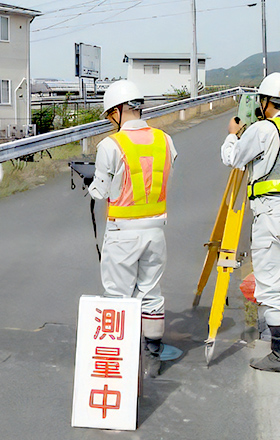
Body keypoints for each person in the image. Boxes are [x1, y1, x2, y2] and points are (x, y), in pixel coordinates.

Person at [221, 72, 280, 375]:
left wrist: (233, 134)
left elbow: (234, 158)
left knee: (269, 283)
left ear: (264, 102)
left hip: (272, 212)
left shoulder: (263, 129)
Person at [88, 80, 177, 377]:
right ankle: (152, 357)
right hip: (156, 230)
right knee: (151, 292)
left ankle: (119, 360)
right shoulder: (165, 139)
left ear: (115, 111)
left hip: (123, 232)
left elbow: (99, 192)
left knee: (118, 296)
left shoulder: (110, 145)